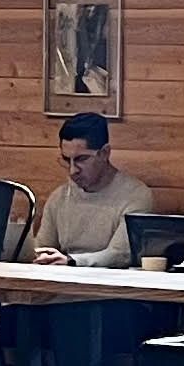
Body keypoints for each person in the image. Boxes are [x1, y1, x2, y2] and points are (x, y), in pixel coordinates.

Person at [35, 112, 152, 264]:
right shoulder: (59, 197)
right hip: (62, 274)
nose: (72, 171)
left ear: (104, 153)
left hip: (109, 277)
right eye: (67, 160)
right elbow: (42, 247)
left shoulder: (135, 195)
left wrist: (72, 261)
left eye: (81, 159)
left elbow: (120, 254)